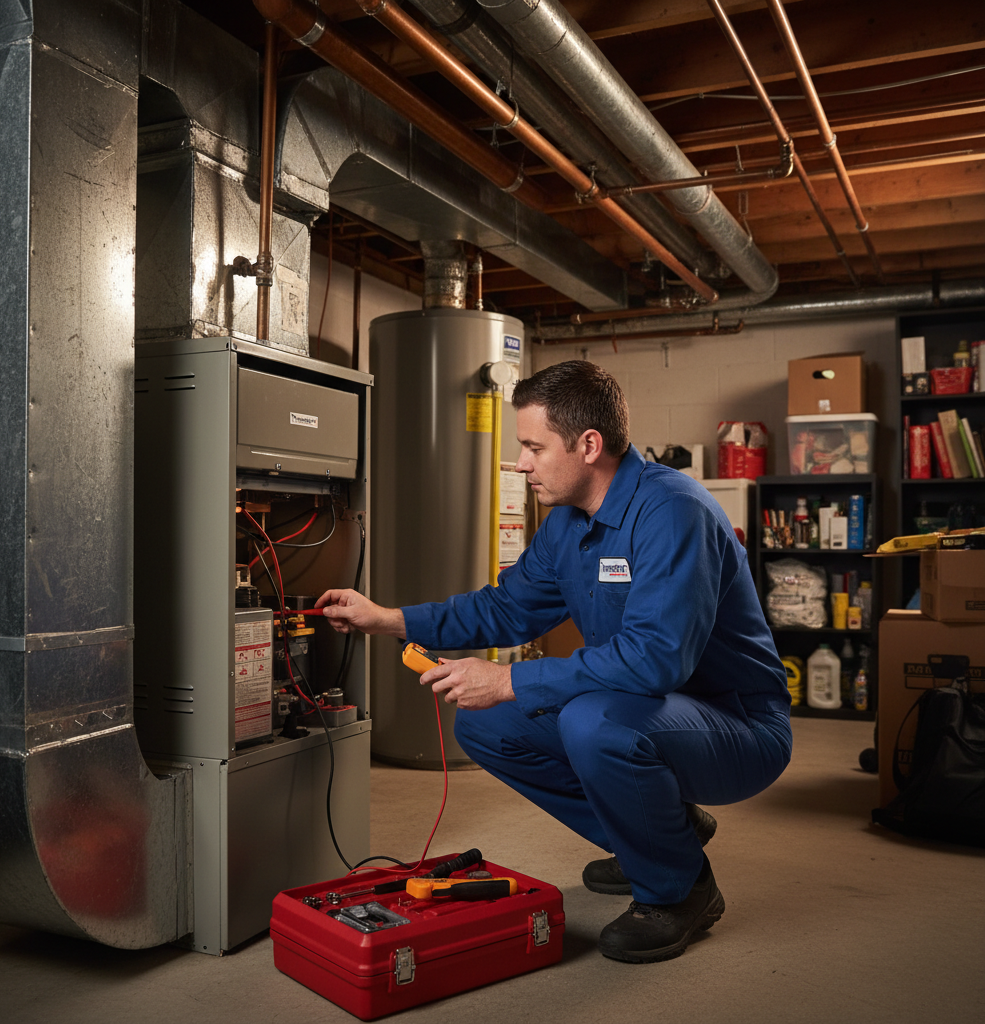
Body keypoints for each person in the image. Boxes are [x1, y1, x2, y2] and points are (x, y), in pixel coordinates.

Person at [316, 360, 792, 964]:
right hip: (652, 711)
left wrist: (510, 678)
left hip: (738, 728)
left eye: (534, 447)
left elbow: (655, 661)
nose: (521, 463)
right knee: (483, 723)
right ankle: (661, 837)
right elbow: (505, 609)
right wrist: (387, 619)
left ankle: (679, 891)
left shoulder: (674, 511)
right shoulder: (568, 522)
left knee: (593, 722)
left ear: (588, 445)